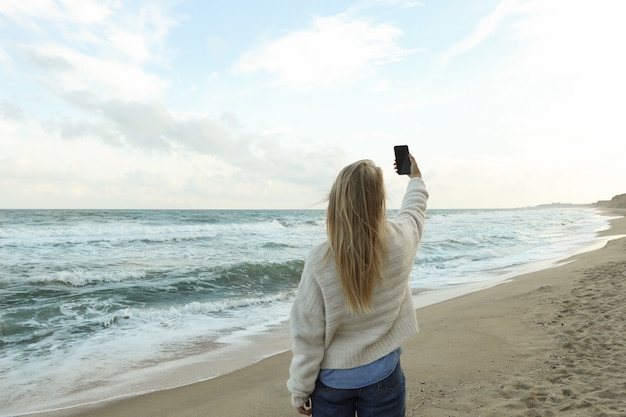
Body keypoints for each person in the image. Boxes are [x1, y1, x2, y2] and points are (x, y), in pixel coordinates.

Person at [287, 152, 428, 417]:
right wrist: (416, 177)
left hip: (333, 383)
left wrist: (300, 390)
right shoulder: (400, 240)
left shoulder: (321, 260)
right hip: (384, 373)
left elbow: (307, 335)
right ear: (380, 202)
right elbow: (414, 210)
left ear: (336, 202)